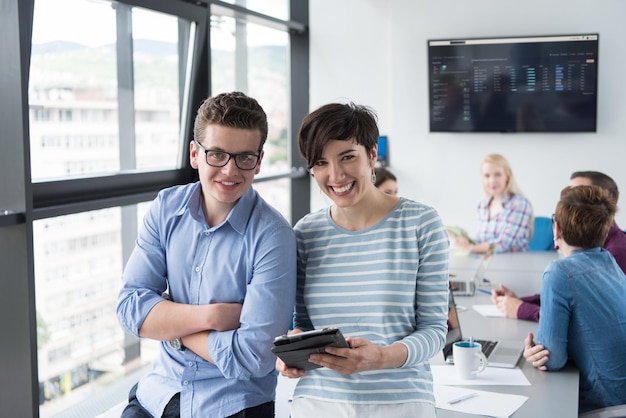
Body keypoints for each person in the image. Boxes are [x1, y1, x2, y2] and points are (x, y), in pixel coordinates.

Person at [116, 91, 297, 418]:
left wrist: (172, 327)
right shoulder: (166, 208)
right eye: (217, 154)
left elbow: (255, 357)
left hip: (232, 405)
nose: (230, 171)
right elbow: (129, 307)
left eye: (244, 157)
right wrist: (211, 317)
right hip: (158, 394)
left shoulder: (274, 237)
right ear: (195, 154)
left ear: (259, 160)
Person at [277, 102, 450, 418]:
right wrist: (294, 349)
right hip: (318, 402)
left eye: (347, 157)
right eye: (320, 162)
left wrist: (381, 357)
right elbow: (302, 324)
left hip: (401, 401)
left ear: (372, 155)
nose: (335, 175)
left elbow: (435, 331)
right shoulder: (305, 232)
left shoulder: (421, 224)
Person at [522, 185, 626, 413]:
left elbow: (553, 359)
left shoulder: (559, 272)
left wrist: (533, 351)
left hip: (605, 406)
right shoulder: (609, 260)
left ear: (556, 228)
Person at [491, 171, 626, 321]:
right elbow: (571, 298)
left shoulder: (616, 253)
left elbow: (586, 316)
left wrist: (521, 309)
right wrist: (520, 301)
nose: (568, 200)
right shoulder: (589, 247)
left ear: (602, 203)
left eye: (576, 192)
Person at [449, 153, 533, 254]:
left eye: (497, 174)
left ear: (507, 176)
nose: (492, 180)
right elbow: (482, 241)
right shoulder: (482, 205)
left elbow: (504, 244)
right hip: (488, 263)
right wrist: (464, 239)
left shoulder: (519, 204)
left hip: (513, 266)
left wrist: (470, 248)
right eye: (487, 176)